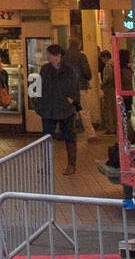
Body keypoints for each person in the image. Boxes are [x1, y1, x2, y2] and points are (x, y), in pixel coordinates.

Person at [36, 43, 81, 176]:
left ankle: (71, 165)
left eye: (49, 55)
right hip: (48, 108)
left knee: (69, 136)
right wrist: (39, 103)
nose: (47, 57)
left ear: (58, 56)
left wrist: (71, 101)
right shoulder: (45, 69)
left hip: (65, 109)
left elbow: (74, 87)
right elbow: (39, 86)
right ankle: (46, 166)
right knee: (46, 137)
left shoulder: (69, 70)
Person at [64, 35, 94, 137]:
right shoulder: (81, 56)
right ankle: (91, 134)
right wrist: (88, 78)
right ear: (79, 44)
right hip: (80, 87)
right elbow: (87, 72)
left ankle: (68, 132)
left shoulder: (64, 57)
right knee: (84, 111)